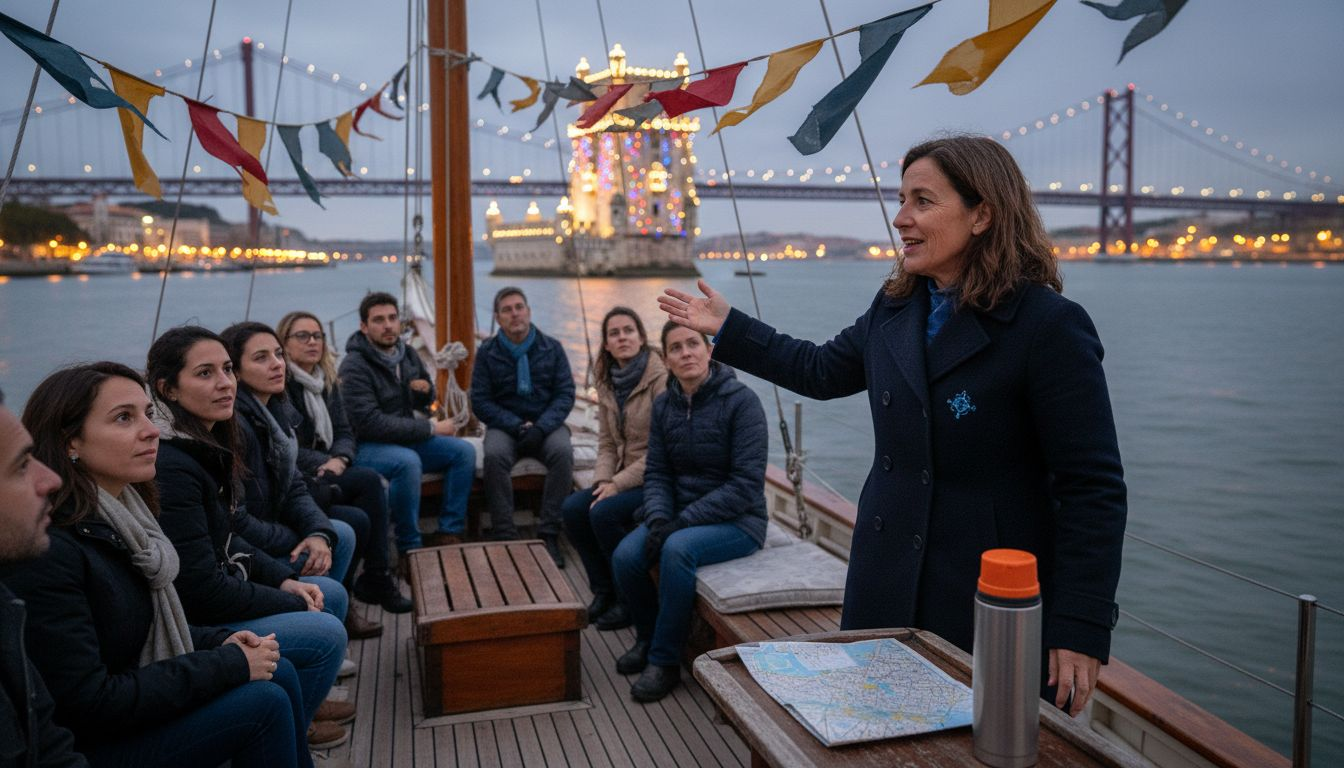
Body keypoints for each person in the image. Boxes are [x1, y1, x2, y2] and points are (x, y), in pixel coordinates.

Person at [659, 135, 1127, 717]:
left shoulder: (1048, 326)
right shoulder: (896, 307)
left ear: (983, 213)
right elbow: (819, 369)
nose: (900, 218)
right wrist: (728, 326)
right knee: (874, 733)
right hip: (884, 578)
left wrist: (1080, 626)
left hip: (986, 601)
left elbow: (1094, 488)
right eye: (902, 199)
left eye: (923, 201)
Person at [8, 363, 310, 767]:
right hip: (94, 744)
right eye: (123, 418)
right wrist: (225, 663)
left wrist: (220, 643)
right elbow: (89, 702)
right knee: (263, 702)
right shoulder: (53, 549)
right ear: (70, 443)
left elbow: (142, 629)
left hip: (134, 699)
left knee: (279, 670)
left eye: (148, 414)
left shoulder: (130, 521)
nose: (152, 431)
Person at [146, 326, 352, 749]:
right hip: (197, 615)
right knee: (325, 622)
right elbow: (206, 578)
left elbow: (238, 526)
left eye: (225, 370)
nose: (224, 383)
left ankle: (300, 712)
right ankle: (300, 721)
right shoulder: (176, 463)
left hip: (237, 565)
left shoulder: (217, 435)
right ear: (166, 389)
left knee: (340, 535)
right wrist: (290, 593)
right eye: (205, 373)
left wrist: (290, 566)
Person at [610, 322, 767, 703]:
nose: (686, 353)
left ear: (709, 350)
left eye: (693, 344)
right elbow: (659, 472)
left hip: (739, 520)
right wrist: (660, 519)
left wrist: (677, 525)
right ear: (666, 360)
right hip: (680, 514)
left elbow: (745, 485)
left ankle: (665, 662)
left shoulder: (742, 403)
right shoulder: (666, 405)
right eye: (676, 348)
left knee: (676, 549)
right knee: (626, 556)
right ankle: (648, 639)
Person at [221, 322, 356, 629]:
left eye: (278, 355)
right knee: (345, 527)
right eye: (261, 358)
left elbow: (294, 486)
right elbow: (236, 519)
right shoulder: (236, 427)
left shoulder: (274, 414)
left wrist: (317, 532)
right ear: (236, 372)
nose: (277, 364)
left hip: (271, 527)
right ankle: (319, 624)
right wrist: (298, 537)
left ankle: (318, 614)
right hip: (248, 548)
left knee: (338, 532)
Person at [279, 310, 412, 618]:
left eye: (318, 336)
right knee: (364, 491)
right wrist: (327, 461)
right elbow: (288, 447)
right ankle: (371, 581)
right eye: (303, 336)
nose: (313, 342)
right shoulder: (282, 387)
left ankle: (371, 580)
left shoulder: (326, 380)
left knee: (366, 491)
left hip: (330, 468)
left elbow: (344, 430)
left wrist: (340, 458)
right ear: (284, 343)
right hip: (302, 475)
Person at [339, 292, 475, 553]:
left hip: (405, 437)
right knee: (407, 462)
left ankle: (450, 530)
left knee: (463, 452)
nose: (388, 325)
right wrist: (433, 428)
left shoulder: (408, 354)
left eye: (392, 318)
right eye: (379, 320)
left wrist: (424, 393)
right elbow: (370, 423)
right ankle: (408, 544)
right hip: (367, 445)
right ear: (364, 327)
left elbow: (427, 400)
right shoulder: (354, 366)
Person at [561, 307, 666, 631]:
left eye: (628, 331)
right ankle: (603, 590)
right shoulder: (607, 381)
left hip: (655, 477)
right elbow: (607, 442)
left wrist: (617, 485)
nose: (622, 338)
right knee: (574, 508)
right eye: (614, 333)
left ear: (641, 337)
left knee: (603, 513)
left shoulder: (660, 381)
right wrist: (603, 480)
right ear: (606, 344)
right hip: (621, 474)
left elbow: (662, 451)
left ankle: (627, 600)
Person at [0, 385, 88, 768]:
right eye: (21, 465)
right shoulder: (56, 553)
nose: (50, 479)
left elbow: (51, 747)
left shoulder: (4, 604)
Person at [470, 287, 575, 566]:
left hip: (546, 424)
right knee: (494, 456)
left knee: (563, 453)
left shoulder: (552, 348)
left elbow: (565, 394)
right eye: (507, 310)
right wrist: (516, 425)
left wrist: (541, 427)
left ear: (528, 311)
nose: (514, 314)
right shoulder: (488, 353)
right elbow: (480, 401)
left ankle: (549, 531)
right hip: (506, 426)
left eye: (519, 307)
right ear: (497, 318)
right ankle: (505, 531)